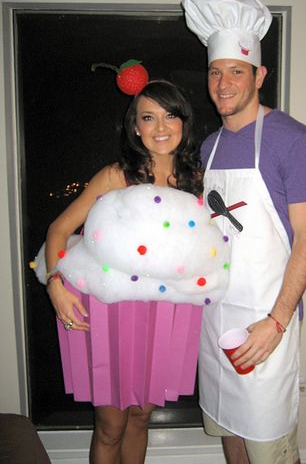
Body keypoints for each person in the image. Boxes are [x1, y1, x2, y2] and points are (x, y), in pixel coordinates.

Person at [183, 0, 306, 464]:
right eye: (215, 72)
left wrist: (277, 322)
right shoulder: (208, 147)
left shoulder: (296, 141)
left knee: (269, 447)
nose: (223, 84)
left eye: (236, 71)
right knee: (231, 436)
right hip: (215, 320)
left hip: (267, 321)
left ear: (259, 76)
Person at [42, 80, 209, 464]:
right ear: (135, 127)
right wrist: (55, 286)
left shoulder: (195, 182)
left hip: (164, 316)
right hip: (110, 313)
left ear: (184, 123)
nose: (161, 127)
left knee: (140, 419)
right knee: (110, 425)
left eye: (170, 115)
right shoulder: (117, 176)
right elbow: (59, 230)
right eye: (148, 117)